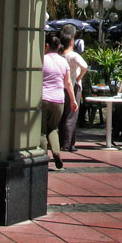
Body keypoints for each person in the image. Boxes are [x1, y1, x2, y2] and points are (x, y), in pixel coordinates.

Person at [41, 33, 70, 169]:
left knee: (41, 131)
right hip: (59, 100)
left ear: (47, 46)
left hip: (43, 98)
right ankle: (56, 153)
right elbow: (68, 82)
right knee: (53, 128)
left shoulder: (42, 59)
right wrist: (73, 100)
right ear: (59, 47)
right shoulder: (63, 62)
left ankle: (42, 158)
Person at [59, 31, 88, 153]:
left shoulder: (60, 55)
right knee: (71, 115)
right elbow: (85, 67)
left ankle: (66, 142)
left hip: (62, 87)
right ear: (71, 42)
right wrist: (79, 78)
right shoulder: (74, 55)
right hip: (73, 86)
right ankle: (67, 144)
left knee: (63, 115)